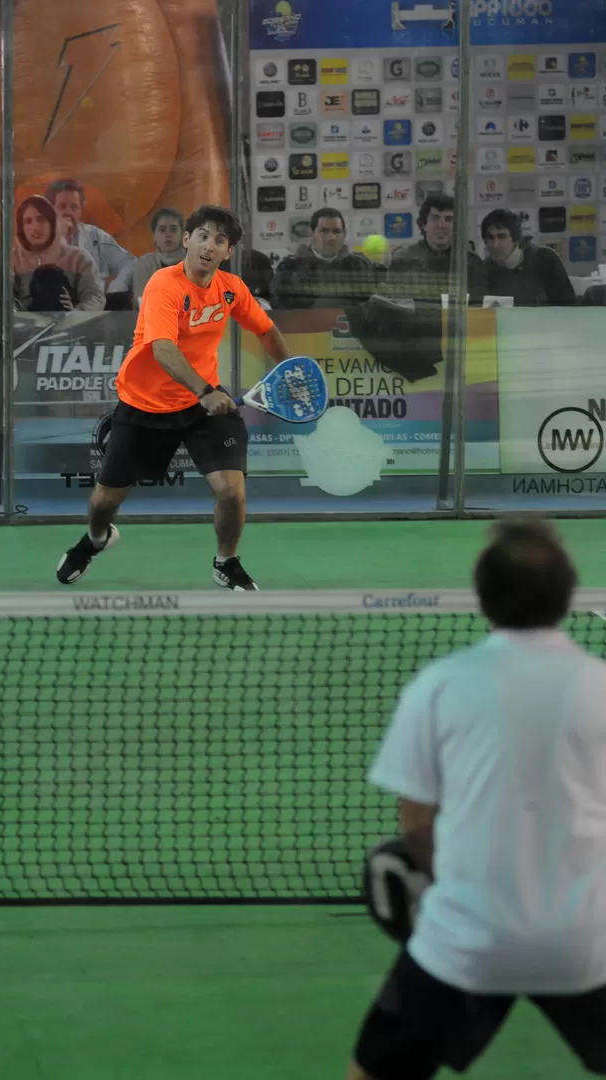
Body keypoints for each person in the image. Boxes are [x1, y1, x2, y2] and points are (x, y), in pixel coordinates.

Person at [348, 519, 606, 1080]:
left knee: (372, 1072)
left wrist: (442, 879)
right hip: (589, 943)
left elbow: (416, 821)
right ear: (567, 597)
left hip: (466, 939)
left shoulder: (440, 684)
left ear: (483, 598)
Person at [56, 204, 290, 592]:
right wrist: (205, 391)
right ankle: (96, 540)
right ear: (187, 240)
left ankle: (226, 562)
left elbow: (267, 331)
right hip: (145, 407)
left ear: (227, 252)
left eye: (220, 240)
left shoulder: (231, 289)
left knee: (231, 491)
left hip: (203, 410)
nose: (209, 246)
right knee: (103, 503)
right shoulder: (164, 284)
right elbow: (164, 350)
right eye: (203, 236)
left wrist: (288, 371)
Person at [0, 195, 105, 312]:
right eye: (28, 221)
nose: (35, 227)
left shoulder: (79, 259)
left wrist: (74, 315)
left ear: (53, 223)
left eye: (41, 219)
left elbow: (95, 298)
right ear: (21, 228)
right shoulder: (7, 261)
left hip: (72, 327)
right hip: (23, 328)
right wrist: (18, 319)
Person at [388, 194, 486, 304]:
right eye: (435, 218)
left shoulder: (471, 263)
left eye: (448, 219)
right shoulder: (403, 261)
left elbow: (477, 309)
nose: (441, 225)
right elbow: (393, 309)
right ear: (424, 225)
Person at [45, 178, 136, 296]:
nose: (69, 212)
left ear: (81, 209)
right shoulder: (38, 237)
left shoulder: (94, 235)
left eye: (74, 207)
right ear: (50, 209)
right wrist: (60, 238)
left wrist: (115, 288)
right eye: (62, 206)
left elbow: (129, 262)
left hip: (96, 306)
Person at [271, 208, 376, 309]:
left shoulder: (359, 265)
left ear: (344, 235)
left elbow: (368, 306)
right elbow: (281, 308)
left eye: (336, 232)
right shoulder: (290, 267)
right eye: (324, 231)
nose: (331, 237)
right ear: (311, 234)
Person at [481, 208, 576, 307]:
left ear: (515, 238)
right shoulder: (484, 268)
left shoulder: (546, 259)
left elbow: (569, 308)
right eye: (490, 237)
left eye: (502, 236)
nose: (495, 245)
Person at [131, 207, 186, 307]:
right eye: (162, 230)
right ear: (154, 236)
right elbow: (141, 301)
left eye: (173, 230)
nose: (168, 234)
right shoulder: (144, 264)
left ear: (183, 234)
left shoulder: (195, 262)